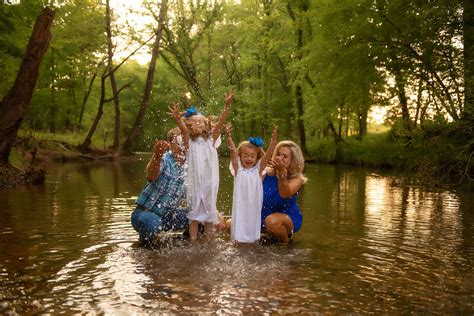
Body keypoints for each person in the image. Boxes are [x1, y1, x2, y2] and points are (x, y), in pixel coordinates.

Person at [169, 91, 234, 241]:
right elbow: (183, 130)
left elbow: (220, 124)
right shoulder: (188, 142)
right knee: (194, 216)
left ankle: (209, 242)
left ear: (207, 124)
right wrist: (178, 119)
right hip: (194, 183)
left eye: (201, 121)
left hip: (210, 182)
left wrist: (227, 106)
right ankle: (193, 242)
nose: (198, 123)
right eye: (195, 121)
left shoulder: (211, 139)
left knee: (209, 215)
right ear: (190, 125)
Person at [130, 128, 189, 246]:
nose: (182, 144)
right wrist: (157, 155)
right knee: (151, 222)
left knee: (199, 219)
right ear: (170, 144)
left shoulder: (189, 166)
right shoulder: (164, 158)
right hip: (145, 213)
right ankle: (144, 247)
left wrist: (211, 212)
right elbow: (151, 176)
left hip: (169, 216)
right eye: (178, 140)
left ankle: (183, 245)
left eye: (184, 140)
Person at [225, 123, 277, 243]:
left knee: (252, 229)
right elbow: (233, 152)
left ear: (257, 157)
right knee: (239, 229)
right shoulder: (238, 169)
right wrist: (229, 137)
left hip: (253, 206)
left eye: (252, 156)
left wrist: (273, 142)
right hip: (241, 206)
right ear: (240, 156)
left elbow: (268, 155)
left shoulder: (258, 170)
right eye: (246, 155)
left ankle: (252, 244)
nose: (249, 158)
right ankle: (237, 243)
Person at [261, 141, 307, 243]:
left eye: (285, 156)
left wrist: (282, 175)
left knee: (271, 222)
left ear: (293, 162)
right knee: (230, 224)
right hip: (263, 215)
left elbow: (284, 193)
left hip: (285, 217)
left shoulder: (297, 179)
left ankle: (285, 243)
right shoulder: (266, 172)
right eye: (278, 154)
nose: (279, 158)